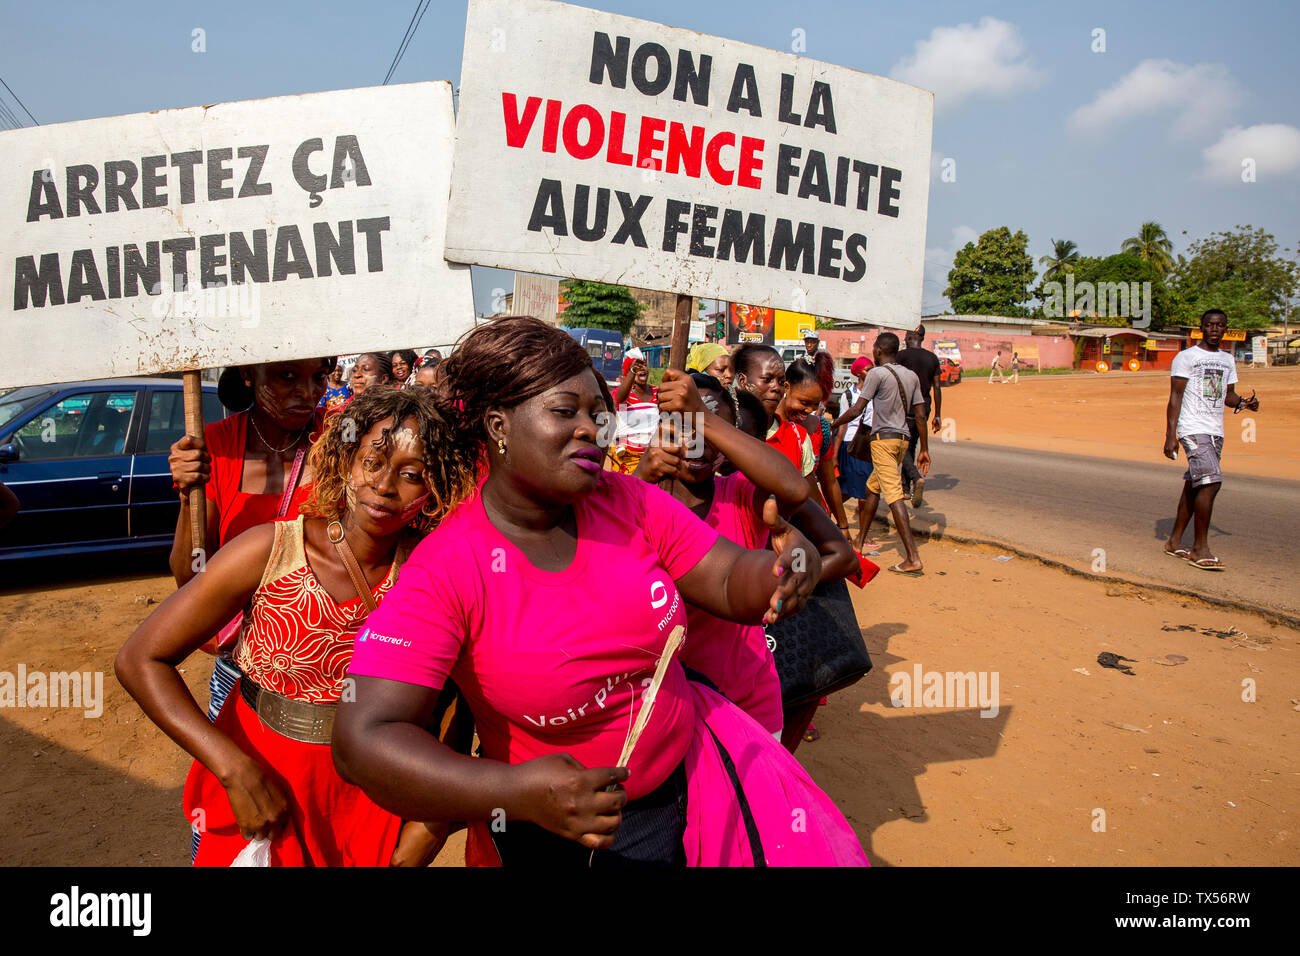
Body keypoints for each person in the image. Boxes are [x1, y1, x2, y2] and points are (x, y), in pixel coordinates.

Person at [332, 316, 868, 867]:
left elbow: (730, 579)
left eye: (599, 414)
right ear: (498, 425)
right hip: (540, 831)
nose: (592, 430)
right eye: (566, 412)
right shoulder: (446, 568)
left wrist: (784, 569)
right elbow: (365, 738)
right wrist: (517, 791)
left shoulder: (631, 501)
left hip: (680, 799)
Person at [119, 388, 453, 866]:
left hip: (371, 795)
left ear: (435, 487)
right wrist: (233, 769)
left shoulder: (433, 572)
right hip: (260, 774)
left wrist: (432, 821)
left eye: (412, 475)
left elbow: (458, 696)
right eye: (372, 462)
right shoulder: (269, 550)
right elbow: (139, 659)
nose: (384, 487)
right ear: (344, 460)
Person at [633, 371, 856, 739]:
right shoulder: (634, 497)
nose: (698, 443)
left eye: (711, 430)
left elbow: (794, 488)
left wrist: (799, 566)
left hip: (744, 703)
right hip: (657, 705)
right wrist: (643, 473)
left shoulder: (741, 495)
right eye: (686, 428)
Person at [168, 360, 333, 739]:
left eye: (318, 378)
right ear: (248, 374)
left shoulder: (341, 438)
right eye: (288, 376)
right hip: (240, 669)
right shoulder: (214, 446)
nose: (308, 393)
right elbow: (190, 575)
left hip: (329, 671)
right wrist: (187, 496)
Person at [1162, 309, 1259, 571]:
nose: (1215, 329)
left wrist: (1244, 404)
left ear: (1225, 329)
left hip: (1215, 430)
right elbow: (1175, 397)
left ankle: (1173, 541)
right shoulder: (1187, 357)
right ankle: (1199, 548)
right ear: (1201, 328)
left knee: (1195, 485)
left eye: (1220, 326)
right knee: (1211, 482)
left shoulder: (1227, 360)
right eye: (1210, 325)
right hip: (1192, 428)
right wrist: (1171, 436)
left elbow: (1227, 395)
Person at [830, 332, 930, 574]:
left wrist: (832, 424)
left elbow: (857, 409)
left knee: (893, 494)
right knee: (872, 488)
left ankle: (912, 557)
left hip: (882, 441)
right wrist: (924, 448)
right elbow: (920, 415)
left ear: (878, 351)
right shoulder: (911, 376)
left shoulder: (876, 374)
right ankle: (859, 543)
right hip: (903, 440)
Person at [783, 355, 849, 529]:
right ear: (787, 387)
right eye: (804, 402)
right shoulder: (764, 425)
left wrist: (843, 526)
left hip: (814, 522)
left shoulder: (820, 428)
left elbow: (829, 482)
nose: (809, 411)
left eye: (815, 405)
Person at [832, 356, 878, 554]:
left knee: (855, 490)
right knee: (861, 491)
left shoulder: (877, 392)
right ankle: (862, 534)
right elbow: (843, 425)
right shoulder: (849, 395)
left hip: (869, 445)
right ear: (859, 373)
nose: (872, 371)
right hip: (852, 445)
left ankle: (827, 514)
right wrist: (834, 453)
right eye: (868, 369)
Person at [896, 325, 943, 508]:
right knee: (913, 444)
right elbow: (937, 388)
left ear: (909, 336)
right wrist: (938, 414)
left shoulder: (901, 356)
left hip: (904, 407)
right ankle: (905, 488)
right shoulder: (932, 358)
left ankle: (915, 478)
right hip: (924, 408)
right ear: (923, 337)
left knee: (902, 447)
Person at [606, 350, 658, 474]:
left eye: (644, 365)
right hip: (627, 458)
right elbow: (619, 398)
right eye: (636, 366)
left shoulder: (656, 392)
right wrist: (632, 371)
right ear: (630, 372)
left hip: (651, 457)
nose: (641, 368)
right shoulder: (623, 393)